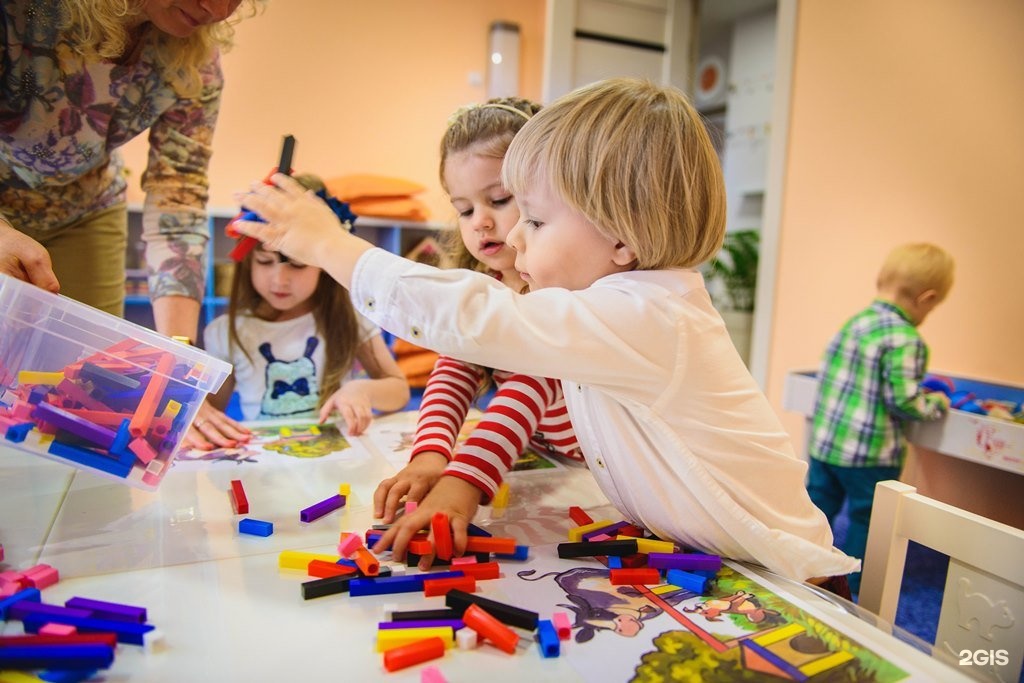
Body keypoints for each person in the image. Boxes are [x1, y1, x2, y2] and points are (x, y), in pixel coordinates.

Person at [233, 78, 859, 584]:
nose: (508, 238)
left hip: (790, 580)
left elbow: (477, 319)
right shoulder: (609, 306)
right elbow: (471, 349)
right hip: (714, 562)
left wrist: (329, 245)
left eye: (532, 219)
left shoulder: (646, 315)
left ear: (621, 236)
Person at [0, 0, 263, 446]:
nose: (217, 8)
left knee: (92, 396)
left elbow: (178, 194)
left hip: (87, 208)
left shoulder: (194, 60)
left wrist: (177, 366)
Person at [372, 99, 583, 531]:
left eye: (499, 200)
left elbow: (533, 379)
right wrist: (431, 455)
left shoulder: (564, 289)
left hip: (606, 474)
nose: (480, 222)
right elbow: (454, 371)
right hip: (556, 463)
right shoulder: (487, 285)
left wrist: (462, 483)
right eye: (465, 209)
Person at [200, 174, 410, 438]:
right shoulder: (224, 332)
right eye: (264, 262)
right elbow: (209, 413)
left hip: (334, 466)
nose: (279, 280)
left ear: (323, 264)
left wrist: (362, 391)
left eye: (298, 264)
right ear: (247, 262)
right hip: (266, 470)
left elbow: (399, 390)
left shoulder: (350, 318)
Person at [807, 242, 954, 595]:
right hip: (869, 455)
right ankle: (853, 585)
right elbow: (903, 399)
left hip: (826, 444)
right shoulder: (906, 339)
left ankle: (805, 563)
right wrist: (935, 403)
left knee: (817, 506)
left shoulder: (855, 323)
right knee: (866, 517)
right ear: (927, 299)